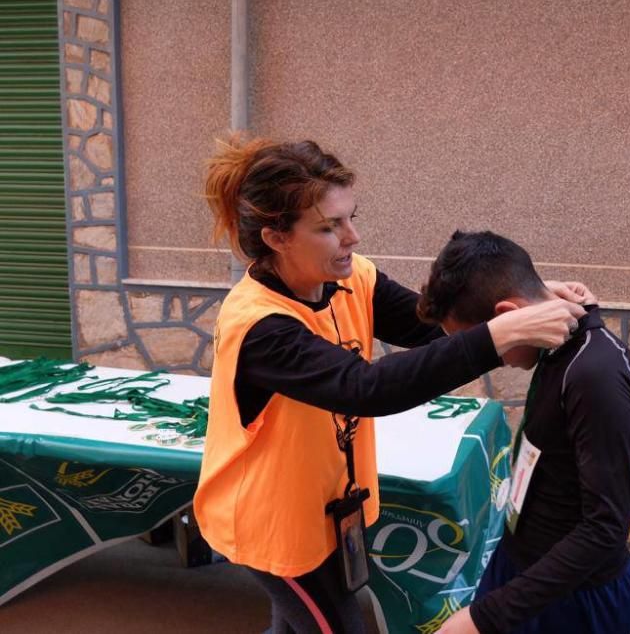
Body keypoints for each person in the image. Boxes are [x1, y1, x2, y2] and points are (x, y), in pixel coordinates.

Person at [192, 135, 588, 634]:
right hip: (275, 527)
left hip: (326, 512)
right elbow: (367, 388)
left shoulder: (351, 277)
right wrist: (497, 335)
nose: (352, 237)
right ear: (277, 238)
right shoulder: (261, 327)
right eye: (329, 227)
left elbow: (428, 324)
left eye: (351, 217)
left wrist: (522, 302)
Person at [417, 231, 630, 634]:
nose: (492, 360)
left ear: (509, 313)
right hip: (525, 568)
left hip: (573, 600)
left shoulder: (595, 375)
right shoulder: (558, 345)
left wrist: (482, 618)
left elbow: (605, 528)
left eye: (490, 343)